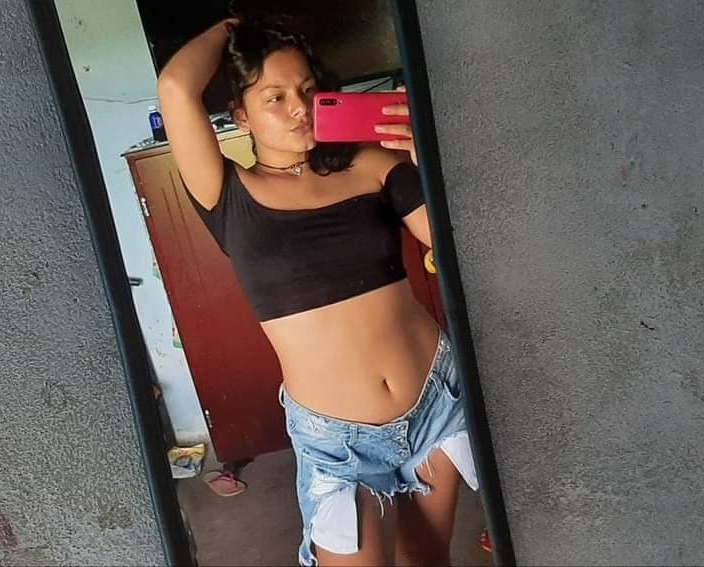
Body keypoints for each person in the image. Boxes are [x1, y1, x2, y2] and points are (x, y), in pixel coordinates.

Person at [157, 15, 478, 567]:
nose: (299, 108)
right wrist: (232, 27)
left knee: (430, 560)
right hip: (337, 445)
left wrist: (429, 162)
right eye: (274, 97)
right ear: (241, 116)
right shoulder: (228, 194)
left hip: (435, 403)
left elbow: (457, 243)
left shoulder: (372, 167)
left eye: (308, 90)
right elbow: (175, 87)